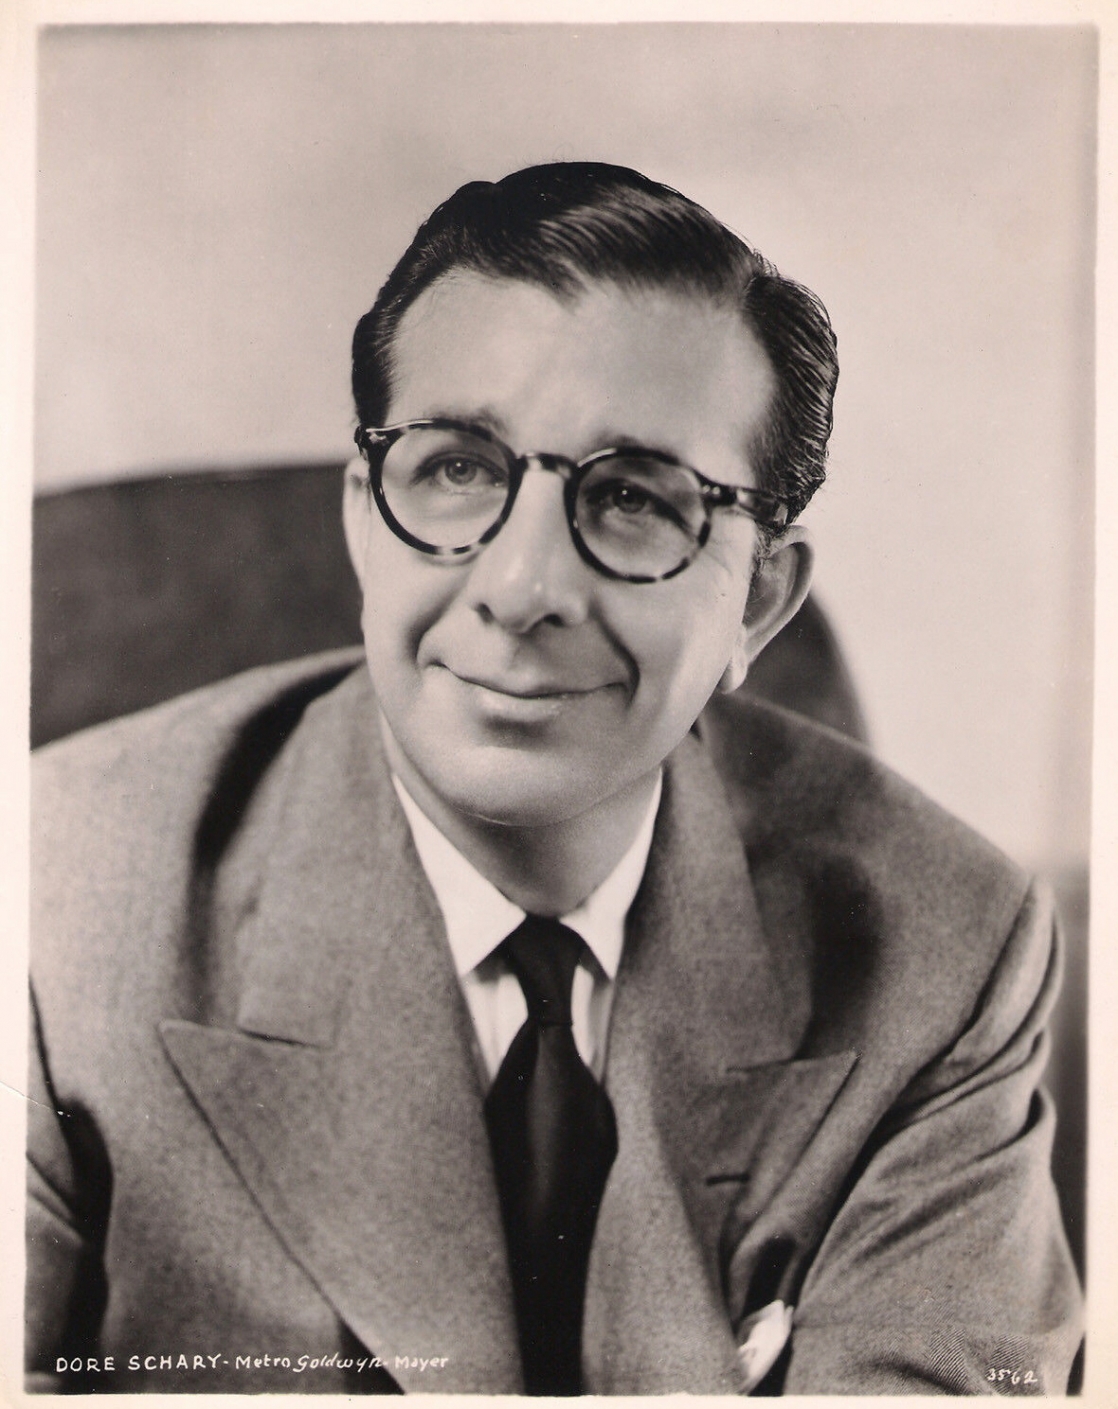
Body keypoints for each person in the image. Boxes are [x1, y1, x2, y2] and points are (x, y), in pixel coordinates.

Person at [26, 162, 1082, 1395]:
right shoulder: (54, 901)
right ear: (364, 515)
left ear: (757, 599)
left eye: (633, 498)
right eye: (458, 469)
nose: (520, 588)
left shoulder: (946, 949)